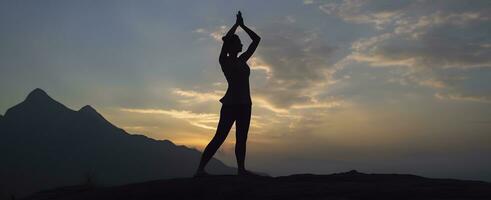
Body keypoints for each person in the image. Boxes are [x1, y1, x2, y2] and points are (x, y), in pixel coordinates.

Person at [195, 11, 261, 177]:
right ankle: (200, 170)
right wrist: (236, 26)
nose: (241, 44)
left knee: (241, 138)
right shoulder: (224, 61)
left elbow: (256, 40)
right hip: (231, 104)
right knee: (219, 137)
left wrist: (243, 25)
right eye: (238, 41)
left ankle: (241, 170)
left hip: (245, 104)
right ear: (231, 46)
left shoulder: (242, 60)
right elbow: (225, 41)